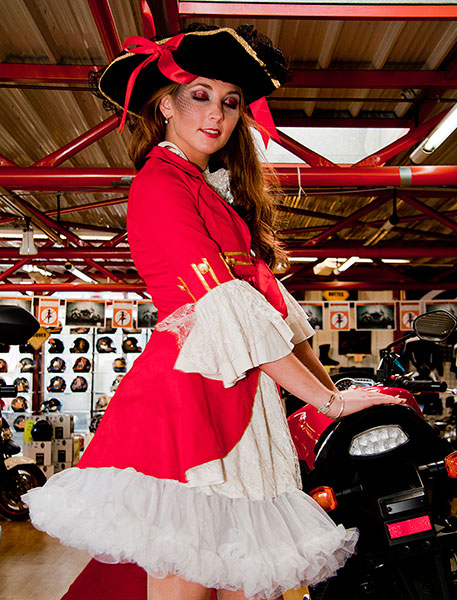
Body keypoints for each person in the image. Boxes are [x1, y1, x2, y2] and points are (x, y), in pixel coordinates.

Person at [24, 24, 401, 600]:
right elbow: (227, 310)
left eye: (230, 101)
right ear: (165, 105)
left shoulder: (211, 192)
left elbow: (272, 312)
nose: (216, 114)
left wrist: (331, 400)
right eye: (199, 95)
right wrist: (329, 401)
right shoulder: (160, 183)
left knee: (246, 580)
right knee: (193, 573)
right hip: (191, 405)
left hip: (238, 399)